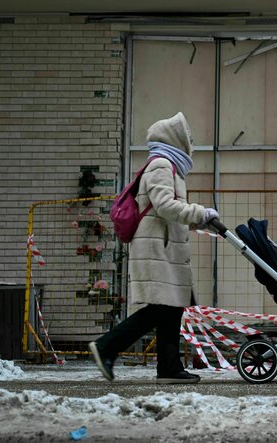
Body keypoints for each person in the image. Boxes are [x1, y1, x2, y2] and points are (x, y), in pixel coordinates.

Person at [89, 112, 218, 384]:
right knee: (162, 308)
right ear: (176, 138)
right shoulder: (161, 164)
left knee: (173, 307)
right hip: (157, 249)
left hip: (163, 248)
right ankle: (106, 347)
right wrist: (199, 212)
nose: (191, 142)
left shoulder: (168, 165)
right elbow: (163, 205)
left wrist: (199, 222)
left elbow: (164, 213)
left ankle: (169, 369)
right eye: (188, 137)